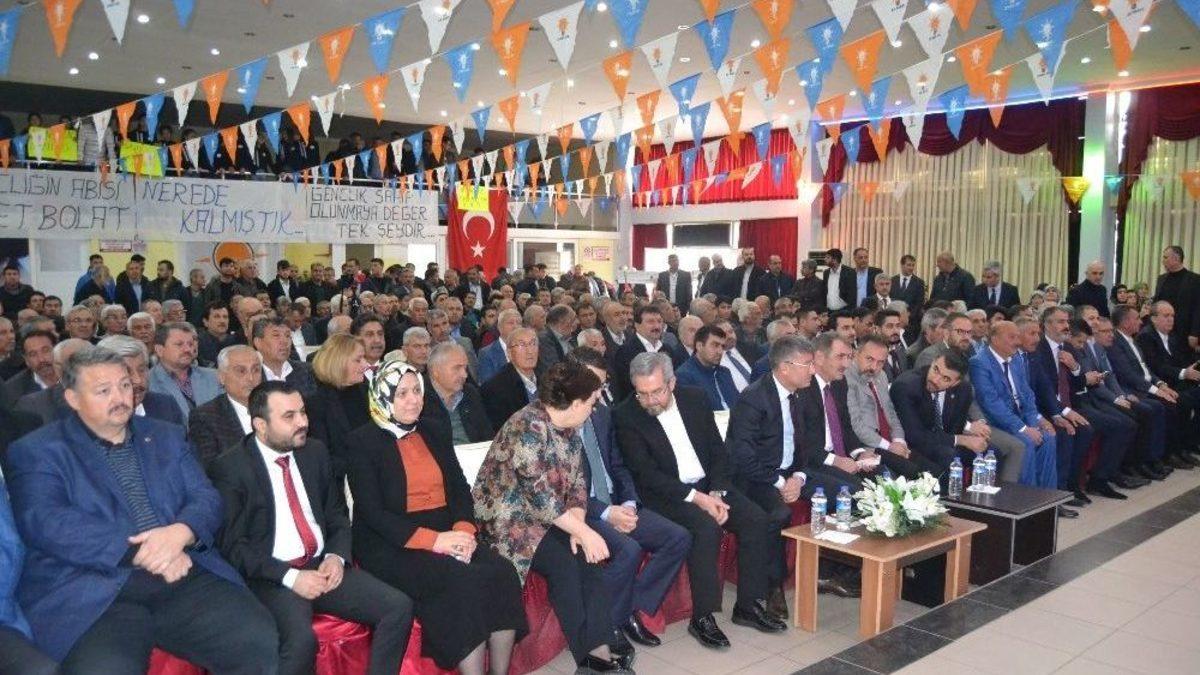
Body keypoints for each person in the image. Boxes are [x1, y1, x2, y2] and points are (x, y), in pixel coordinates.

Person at [6, 346, 279, 672]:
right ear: (73, 399)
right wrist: (147, 551)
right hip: (94, 588)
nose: (120, 397)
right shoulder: (39, 450)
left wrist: (181, 532)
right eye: (103, 391)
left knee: (256, 640)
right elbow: (48, 523)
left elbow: (205, 497)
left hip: (182, 571)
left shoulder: (166, 436)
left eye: (124, 385)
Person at [209, 381, 414, 675]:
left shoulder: (313, 452)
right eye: (289, 416)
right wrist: (291, 577)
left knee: (398, 607)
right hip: (273, 576)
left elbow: (336, 515)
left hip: (322, 565)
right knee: (301, 642)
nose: (302, 422)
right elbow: (234, 547)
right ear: (260, 425)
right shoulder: (231, 468)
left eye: (303, 412)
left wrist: (335, 556)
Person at [343, 359, 526, 673]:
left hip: (448, 529)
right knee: (461, 582)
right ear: (382, 397)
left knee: (503, 572)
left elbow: (459, 487)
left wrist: (464, 530)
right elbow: (373, 514)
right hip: (392, 542)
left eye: (417, 391)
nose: (413, 400)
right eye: (401, 394)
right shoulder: (361, 442)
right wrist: (436, 541)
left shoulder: (434, 428)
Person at [614, 352, 787, 651]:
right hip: (667, 495)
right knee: (707, 528)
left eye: (657, 391)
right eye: (642, 393)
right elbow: (646, 474)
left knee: (756, 519)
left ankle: (748, 605)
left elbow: (718, 450)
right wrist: (698, 499)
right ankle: (702, 617)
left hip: (710, 486)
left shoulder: (695, 398)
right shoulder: (626, 414)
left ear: (672, 383)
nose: (650, 401)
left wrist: (717, 492)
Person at [472, 361, 629, 674]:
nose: (594, 409)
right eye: (591, 403)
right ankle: (587, 657)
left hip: (548, 516)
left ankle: (599, 649)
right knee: (564, 565)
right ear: (575, 403)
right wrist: (582, 531)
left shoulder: (568, 427)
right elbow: (538, 496)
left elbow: (578, 483)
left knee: (588, 559)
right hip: (509, 520)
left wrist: (578, 527)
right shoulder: (527, 426)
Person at [565, 347, 691, 653]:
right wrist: (607, 513)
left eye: (602, 385)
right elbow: (564, 491)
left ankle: (629, 608)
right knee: (628, 550)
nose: (600, 393)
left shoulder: (602, 414)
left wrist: (629, 504)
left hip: (616, 503)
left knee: (677, 537)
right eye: (594, 385)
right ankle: (609, 625)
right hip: (580, 512)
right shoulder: (558, 419)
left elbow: (619, 466)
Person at [970, 321, 1060, 492]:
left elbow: (1027, 394)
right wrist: (1023, 428)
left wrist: (1032, 423)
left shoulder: (1016, 359)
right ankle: (1026, 497)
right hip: (995, 423)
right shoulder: (979, 363)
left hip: (1019, 418)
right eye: (1012, 337)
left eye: (1018, 337)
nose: (1018, 342)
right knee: (1026, 441)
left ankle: (1048, 496)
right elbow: (991, 404)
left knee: (1047, 437)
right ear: (994, 339)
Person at [1107, 304, 1199, 470]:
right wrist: (1158, 390)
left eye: (1172, 315)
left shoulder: (1132, 339)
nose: (1141, 322)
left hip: (1151, 384)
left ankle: (1178, 449)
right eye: (1137, 318)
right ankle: (1158, 457)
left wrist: (1161, 384)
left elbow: (1146, 370)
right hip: (1134, 389)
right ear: (1125, 322)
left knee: (1182, 398)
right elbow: (1129, 375)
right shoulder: (1119, 342)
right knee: (1167, 405)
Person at [845, 336, 934, 476]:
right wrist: (890, 446)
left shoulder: (882, 376)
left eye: (880, 362)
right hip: (869, 446)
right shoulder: (846, 379)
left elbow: (890, 413)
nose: (874, 367)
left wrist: (899, 441)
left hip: (889, 442)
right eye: (869, 359)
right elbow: (855, 424)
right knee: (915, 473)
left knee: (932, 469)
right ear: (856, 354)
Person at [306, 334, 372, 484]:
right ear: (338, 363)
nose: (365, 365)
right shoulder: (316, 404)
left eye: (364, 358)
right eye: (358, 360)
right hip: (342, 481)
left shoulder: (367, 390)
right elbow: (322, 457)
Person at [188, 345, 263, 468]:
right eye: (241, 371)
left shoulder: (274, 407)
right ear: (221, 377)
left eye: (256, 370)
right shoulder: (205, 417)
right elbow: (212, 469)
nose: (251, 378)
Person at [95, 334, 185, 426]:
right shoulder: (92, 417)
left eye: (141, 370)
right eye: (127, 371)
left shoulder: (166, 406)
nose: (137, 380)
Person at [148, 322, 222, 422]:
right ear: (159, 350)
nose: (188, 349)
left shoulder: (214, 377)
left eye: (190, 344)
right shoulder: (148, 382)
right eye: (179, 344)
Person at [423, 342, 493, 445]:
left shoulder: (469, 393)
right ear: (435, 371)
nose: (464, 375)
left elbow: (487, 435)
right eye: (457, 368)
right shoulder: (420, 398)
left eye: (465, 368)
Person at [481, 326, 542, 430]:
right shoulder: (495, 388)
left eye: (533, 344)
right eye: (522, 345)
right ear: (509, 353)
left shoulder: (547, 378)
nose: (529, 351)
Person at [674, 325, 740, 411]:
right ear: (699, 346)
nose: (720, 351)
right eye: (715, 345)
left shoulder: (724, 372)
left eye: (722, 346)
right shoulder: (684, 376)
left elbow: (738, 404)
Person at [254, 316, 317, 396]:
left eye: (288, 336)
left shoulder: (308, 371)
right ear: (258, 343)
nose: (284, 341)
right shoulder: (252, 377)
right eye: (276, 335)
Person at [1152, 245, 1200, 349]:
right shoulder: (1161, 279)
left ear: (1176, 258)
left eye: (1166, 257)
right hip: (1162, 331)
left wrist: (1195, 333)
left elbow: (1197, 308)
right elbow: (1156, 303)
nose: (1163, 261)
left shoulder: (1195, 279)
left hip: (1183, 332)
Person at [0, 328, 58, 408]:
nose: (41, 359)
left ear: (58, 350)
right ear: (26, 360)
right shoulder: (12, 392)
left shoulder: (73, 374)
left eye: (45, 351)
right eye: (33, 354)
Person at [538, 304, 579, 375]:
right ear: (562, 321)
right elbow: (554, 370)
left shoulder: (570, 337)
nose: (577, 322)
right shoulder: (544, 340)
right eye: (573, 319)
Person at [197, 301, 234, 368]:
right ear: (205, 322)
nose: (222, 321)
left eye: (225, 317)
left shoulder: (236, 342)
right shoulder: (197, 343)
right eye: (217, 317)